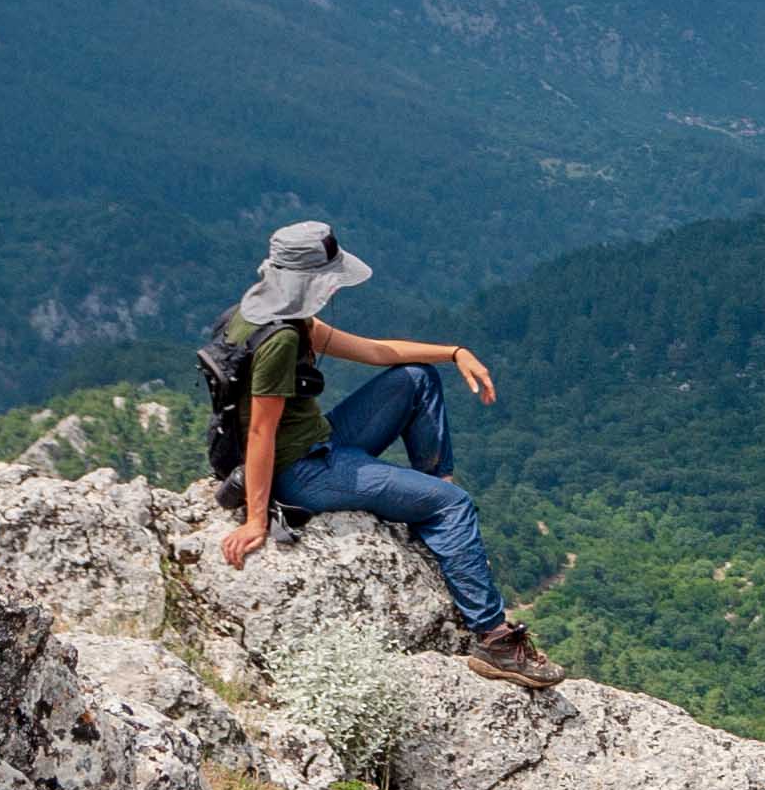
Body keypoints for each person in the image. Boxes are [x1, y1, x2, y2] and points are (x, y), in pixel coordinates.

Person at [217, 219, 565, 690]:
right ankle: (494, 640)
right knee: (454, 506)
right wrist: (256, 519)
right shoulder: (280, 339)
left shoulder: (264, 313)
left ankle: (431, 490)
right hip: (302, 470)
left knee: (417, 378)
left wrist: (455, 352)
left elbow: (378, 353)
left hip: (320, 442)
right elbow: (261, 432)